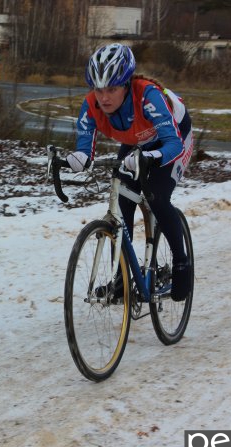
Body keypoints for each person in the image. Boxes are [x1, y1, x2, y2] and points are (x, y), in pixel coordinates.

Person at [66, 43, 194, 301]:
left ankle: (182, 264)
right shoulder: (91, 104)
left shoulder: (148, 96)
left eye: (112, 89)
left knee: (157, 196)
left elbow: (173, 144)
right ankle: (122, 278)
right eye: (98, 89)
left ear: (126, 85)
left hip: (172, 138)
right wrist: (78, 159)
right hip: (136, 140)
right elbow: (84, 147)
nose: (104, 97)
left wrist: (151, 157)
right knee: (122, 199)